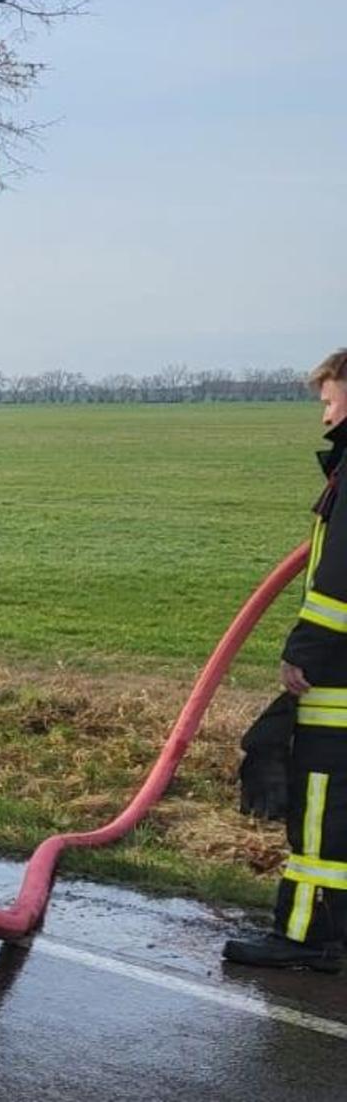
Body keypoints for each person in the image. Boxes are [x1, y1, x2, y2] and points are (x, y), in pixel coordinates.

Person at [225, 349, 347, 973]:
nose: (324, 413)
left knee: (322, 814)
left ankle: (304, 936)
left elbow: (336, 585)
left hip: (339, 685)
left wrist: (302, 651)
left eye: (329, 398)